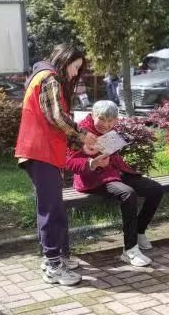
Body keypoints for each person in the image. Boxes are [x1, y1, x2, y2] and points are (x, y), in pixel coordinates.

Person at [15, 44, 98, 286]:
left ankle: (57, 258)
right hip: (41, 152)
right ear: (64, 60)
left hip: (43, 151)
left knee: (54, 207)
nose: (75, 73)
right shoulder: (49, 77)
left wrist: (80, 143)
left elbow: (53, 121)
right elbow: (57, 116)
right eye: (75, 67)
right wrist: (83, 135)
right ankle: (53, 265)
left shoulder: (42, 75)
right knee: (50, 209)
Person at [66, 100, 163, 267]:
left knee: (155, 189)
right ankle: (130, 249)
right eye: (102, 119)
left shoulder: (112, 129)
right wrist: (92, 163)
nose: (106, 124)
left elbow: (114, 154)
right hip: (93, 178)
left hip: (114, 173)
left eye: (111, 121)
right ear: (93, 115)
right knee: (128, 194)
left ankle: (139, 232)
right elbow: (69, 162)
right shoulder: (80, 132)